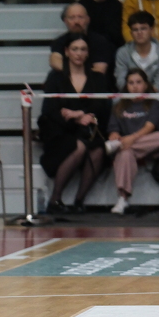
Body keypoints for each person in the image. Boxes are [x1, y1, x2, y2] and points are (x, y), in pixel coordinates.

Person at [39, 36, 114, 213]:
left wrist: (82, 114)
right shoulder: (55, 77)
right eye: (75, 49)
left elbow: (102, 106)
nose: (79, 53)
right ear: (67, 52)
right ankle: (55, 199)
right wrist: (75, 118)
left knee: (97, 150)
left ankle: (79, 200)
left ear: (88, 53)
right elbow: (49, 109)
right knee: (78, 147)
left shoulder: (98, 78)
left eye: (83, 49)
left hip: (88, 128)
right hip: (60, 130)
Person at [105, 69, 159, 214]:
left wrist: (130, 139)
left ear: (146, 85)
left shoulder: (154, 104)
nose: (135, 86)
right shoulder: (119, 106)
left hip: (149, 146)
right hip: (128, 149)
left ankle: (122, 145)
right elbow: (113, 130)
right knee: (125, 153)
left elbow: (150, 127)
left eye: (138, 82)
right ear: (126, 86)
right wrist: (115, 135)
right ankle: (122, 199)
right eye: (131, 83)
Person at [114, 10, 159, 88]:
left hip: (155, 94)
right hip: (128, 93)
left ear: (151, 30)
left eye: (143, 29)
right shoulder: (123, 53)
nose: (139, 32)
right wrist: (134, 92)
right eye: (135, 30)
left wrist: (147, 94)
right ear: (131, 33)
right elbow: (121, 80)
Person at [49, 2, 114, 74]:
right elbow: (55, 61)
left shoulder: (100, 42)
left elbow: (99, 70)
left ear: (88, 20)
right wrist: (76, 75)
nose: (76, 22)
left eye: (80, 17)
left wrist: (79, 76)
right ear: (65, 21)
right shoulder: (59, 42)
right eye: (72, 18)